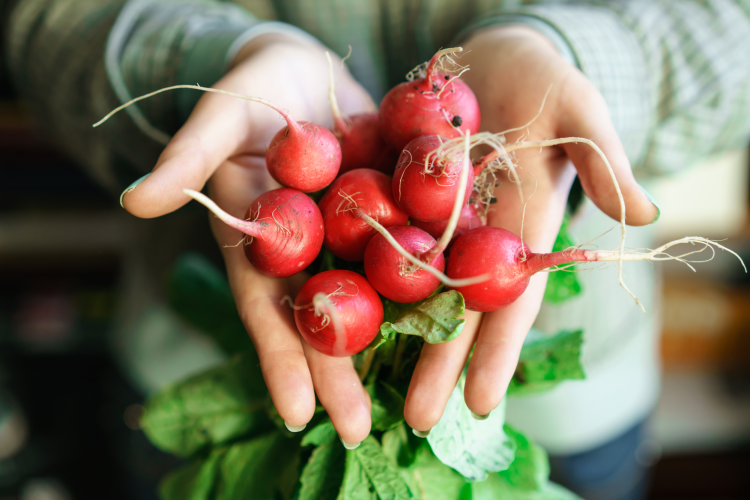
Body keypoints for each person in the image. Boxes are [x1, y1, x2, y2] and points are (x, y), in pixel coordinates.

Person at [4, 0, 750, 498]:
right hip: (202, 357)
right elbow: (39, 18)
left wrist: (576, 53)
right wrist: (209, 60)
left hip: (570, 418)